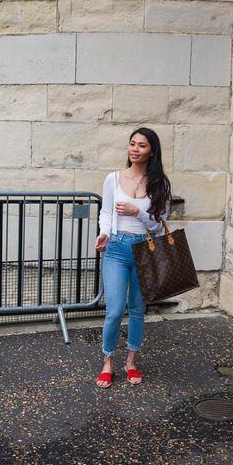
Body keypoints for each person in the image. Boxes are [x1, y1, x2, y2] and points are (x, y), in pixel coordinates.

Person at [94, 127, 171, 389]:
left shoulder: (160, 184)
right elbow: (106, 212)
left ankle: (131, 362)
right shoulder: (113, 179)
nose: (135, 149)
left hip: (144, 249)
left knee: (137, 310)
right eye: (132, 144)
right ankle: (107, 361)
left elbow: (160, 226)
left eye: (142, 146)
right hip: (116, 248)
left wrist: (136, 211)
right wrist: (104, 233)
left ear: (152, 151)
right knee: (114, 311)